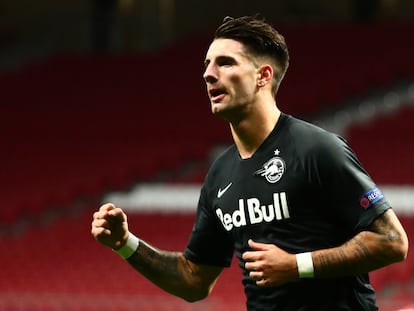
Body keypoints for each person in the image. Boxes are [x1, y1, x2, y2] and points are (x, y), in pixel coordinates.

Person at [91, 15, 409, 310]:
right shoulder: (219, 175)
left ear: (263, 76)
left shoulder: (317, 149)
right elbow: (194, 280)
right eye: (207, 64)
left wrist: (298, 265)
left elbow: (392, 241)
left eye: (225, 63)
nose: (208, 74)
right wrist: (125, 244)